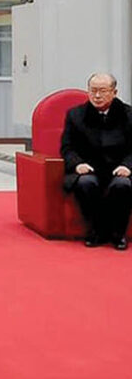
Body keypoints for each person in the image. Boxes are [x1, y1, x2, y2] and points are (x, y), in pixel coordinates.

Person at [61, 72, 132, 250]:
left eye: (103, 91)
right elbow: (67, 147)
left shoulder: (129, 115)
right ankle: (96, 232)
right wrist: (77, 164)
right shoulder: (76, 115)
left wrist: (127, 166)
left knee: (122, 185)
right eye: (93, 91)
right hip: (89, 168)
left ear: (114, 92)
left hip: (120, 169)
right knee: (86, 183)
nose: (97, 96)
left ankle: (118, 234)